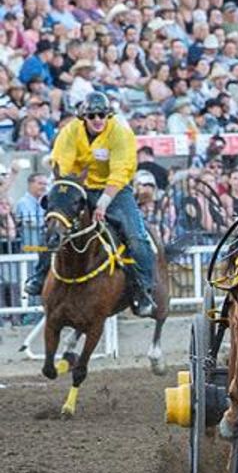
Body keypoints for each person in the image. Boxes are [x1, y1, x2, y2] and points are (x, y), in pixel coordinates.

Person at [24, 93, 158, 316]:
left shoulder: (120, 133)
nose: (98, 119)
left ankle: (144, 290)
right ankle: (39, 276)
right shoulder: (70, 132)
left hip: (116, 191)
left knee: (135, 237)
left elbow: (121, 171)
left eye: (102, 115)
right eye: (92, 115)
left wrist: (104, 202)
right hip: (80, 187)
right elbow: (63, 166)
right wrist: (64, 193)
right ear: (83, 117)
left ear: (109, 116)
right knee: (55, 224)